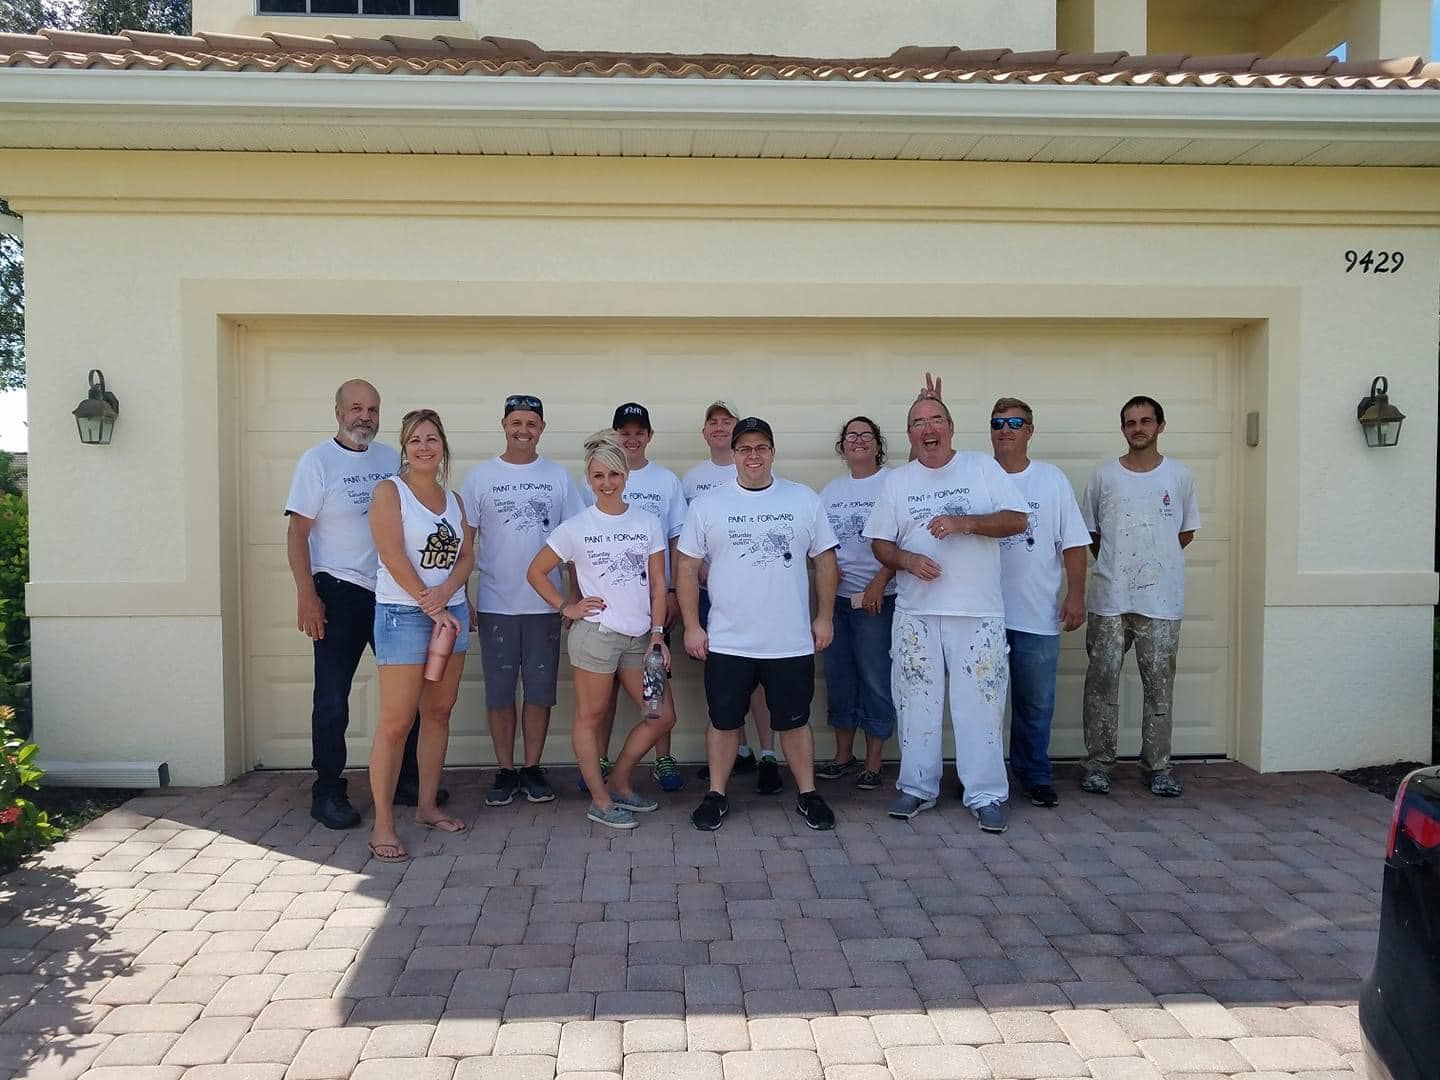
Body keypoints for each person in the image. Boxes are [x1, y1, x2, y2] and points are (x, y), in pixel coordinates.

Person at [864, 395, 1028, 833]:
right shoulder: (898, 481)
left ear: (951, 427)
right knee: (915, 701)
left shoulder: (981, 468)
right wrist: (906, 561)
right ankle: (917, 787)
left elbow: (1016, 520)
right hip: (917, 614)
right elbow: (879, 541)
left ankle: (986, 794)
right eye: (918, 422)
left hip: (978, 614)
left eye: (936, 419)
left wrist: (964, 523)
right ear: (909, 435)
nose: (928, 428)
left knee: (981, 707)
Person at [284, 379, 441, 830]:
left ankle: (406, 780)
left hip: (392, 593)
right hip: (339, 591)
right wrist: (307, 596)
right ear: (337, 411)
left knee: (407, 694)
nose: (365, 417)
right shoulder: (316, 463)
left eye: (372, 409)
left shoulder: (393, 458)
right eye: (356, 408)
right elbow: (297, 534)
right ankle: (328, 790)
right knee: (333, 697)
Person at [677, 417, 840, 832]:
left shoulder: (803, 500)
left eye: (761, 447)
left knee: (794, 722)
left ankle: (807, 793)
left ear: (773, 451)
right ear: (732, 454)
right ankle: (716, 793)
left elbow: (825, 561)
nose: (753, 455)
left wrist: (823, 617)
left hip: (789, 641)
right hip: (729, 640)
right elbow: (686, 568)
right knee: (724, 721)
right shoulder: (708, 505)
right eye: (745, 448)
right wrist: (693, 627)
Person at [528, 431, 677, 829]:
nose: (607, 483)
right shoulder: (575, 527)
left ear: (626, 475)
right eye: (598, 476)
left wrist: (659, 633)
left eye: (614, 474)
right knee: (590, 718)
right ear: (589, 479)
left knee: (661, 715)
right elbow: (536, 571)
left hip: (642, 638)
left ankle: (621, 782)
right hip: (595, 636)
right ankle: (600, 799)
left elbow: (659, 583)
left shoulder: (647, 522)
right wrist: (567, 606)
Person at [461, 394, 583, 807]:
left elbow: (575, 543)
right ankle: (505, 770)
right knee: (499, 692)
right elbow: (466, 545)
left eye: (532, 423)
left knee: (539, 691)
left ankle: (531, 767)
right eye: (516, 422)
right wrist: (464, 598)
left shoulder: (559, 477)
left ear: (542, 428)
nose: (523, 430)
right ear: (503, 424)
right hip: (496, 602)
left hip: (545, 606)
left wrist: (574, 596)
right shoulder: (480, 477)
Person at [366, 409, 474, 861]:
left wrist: (447, 596)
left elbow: (467, 555)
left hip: (451, 615)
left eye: (432, 439)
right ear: (404, 448)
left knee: (439, 713)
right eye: (415, 440)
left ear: (443, 446)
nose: (424, 447)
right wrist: (429, 604)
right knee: (396, 722)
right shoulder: (390, 493)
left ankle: (427, 806)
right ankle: (383, 825)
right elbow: (391, 554)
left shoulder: (455, 499)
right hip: (403, 614)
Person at [1079, 395, 1200, 798]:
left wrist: (1155, 565)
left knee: (1159, 687)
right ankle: (1098, 765)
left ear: (1161, 426)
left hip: (1162, 602)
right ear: (1123, 429)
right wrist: (1115, 566)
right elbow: (1091, 534)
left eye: (1146, 421)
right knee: (1101, 685)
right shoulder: (1103, 477)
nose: (1138, 428)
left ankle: (1158, 767)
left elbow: (1184, 532)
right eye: (1130, 422)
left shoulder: (1179, 476)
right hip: (1109, 599)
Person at [580, 403, 688, 793]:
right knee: (602, 694)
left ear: (649, 435)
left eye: (638, 431)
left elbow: (677, 537)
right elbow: (578, 545)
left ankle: (662, 759)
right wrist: (574, 602)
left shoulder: (666, 481)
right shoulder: (589, 480)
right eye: (624, 431)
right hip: (605, 612)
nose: (632, 437)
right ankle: (602, 758)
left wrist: (674, 591)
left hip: (651, 610)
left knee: (656, 689)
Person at [989, 397, 1090, 809]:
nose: (1006, 429)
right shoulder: (976, 474)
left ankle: (1035, 775)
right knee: (984, 707)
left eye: (1016, 422)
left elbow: (1075, 544)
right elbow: (922, 477)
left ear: (1030, 430)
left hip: (1037, 615)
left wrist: (1077, 594)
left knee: (1035, 704)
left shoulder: (1051, 480)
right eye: (998, 423)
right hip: (985, 616)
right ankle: (985, 778)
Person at [680, 400, 779, 791]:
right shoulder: (691, 479)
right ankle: (738, 752)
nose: (719, 428)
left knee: (759, 678)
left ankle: (768, 752)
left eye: (727, 422)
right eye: (712, 422)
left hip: (755, 597)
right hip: (706, 595)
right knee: (723, 679)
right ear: (705, 433)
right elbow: (686, 542)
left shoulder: (760, 471)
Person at [816, 416, 896, 791]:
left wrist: (879, 584)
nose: (858, 441)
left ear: (877, 444)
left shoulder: (893, 482)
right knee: (840, 678)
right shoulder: (830, 491)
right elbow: (819, 546)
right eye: (851, 435)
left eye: (866, 435)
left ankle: (874, 761)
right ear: (842, 446)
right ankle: (843, 755)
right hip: (838, 603)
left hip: (877, 603)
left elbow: (906, 542)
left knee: (875, 679)